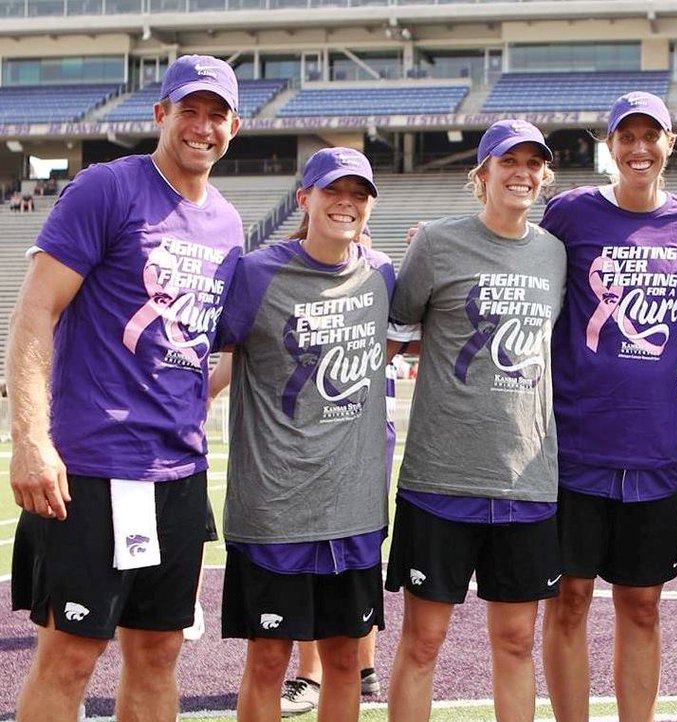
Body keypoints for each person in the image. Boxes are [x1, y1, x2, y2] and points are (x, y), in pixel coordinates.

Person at [6, 54, 242, 721]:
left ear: (234, 128)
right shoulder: (106, 188)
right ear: (161, 113)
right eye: (188, 110)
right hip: (92, 466)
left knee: (159, 652)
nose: (201, 127)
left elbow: (201, 349)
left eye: (216, 115)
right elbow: (34, 312)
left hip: (179, 472)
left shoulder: (227, 224)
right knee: (70, 655)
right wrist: (31, 440)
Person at [539, 91, 677, 722]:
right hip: (575, 444)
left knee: (642, 605)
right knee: (570, 600)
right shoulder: (569, 213)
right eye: (627, 137)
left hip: (654, 448)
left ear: (671, 142)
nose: (639, 148)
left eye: (651, 136)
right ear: (609, 144)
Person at [386, 119, 566, 722]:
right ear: (481, 173)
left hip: (526, 480)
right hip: (441, 479)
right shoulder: (436, 242)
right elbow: (396, 334)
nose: (522, 173)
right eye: (508, 161)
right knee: (423, 641)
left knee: (516, 642)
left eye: (533, 163)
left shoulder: (554, 253)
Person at [214, 147, 393, 722]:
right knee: (268, 660)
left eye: (358, 194)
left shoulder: (383, 273)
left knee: (343, 660)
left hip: (353, 511)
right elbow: (204, 347)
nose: (346, 203)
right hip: (275, 511)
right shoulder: (256, 273)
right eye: (332, 191)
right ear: (304, 199)